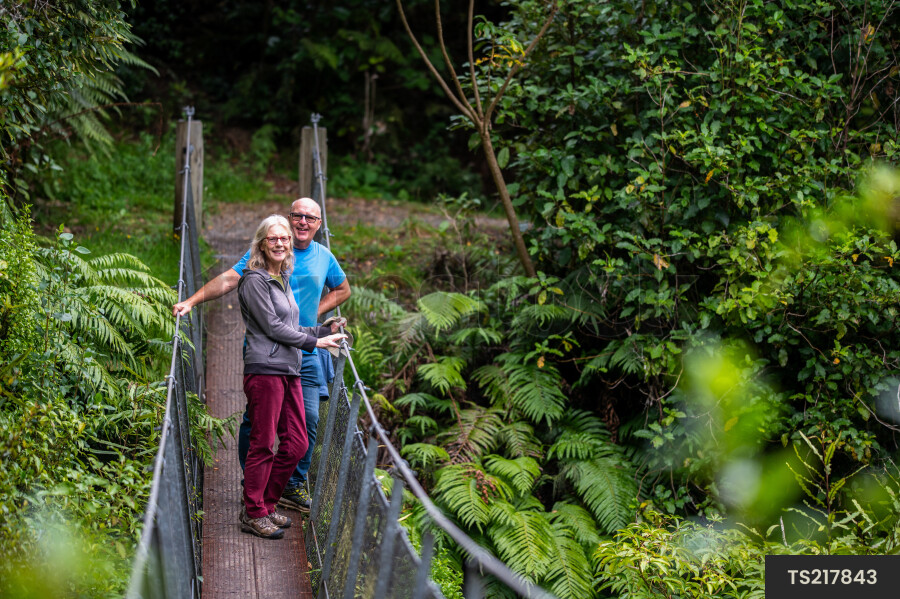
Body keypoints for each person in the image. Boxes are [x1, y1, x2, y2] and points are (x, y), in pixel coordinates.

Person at [173, 197, 351, 511]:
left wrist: (311, 319)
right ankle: (252, 486)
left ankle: (288, 486)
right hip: (268, 353)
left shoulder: (323, 256)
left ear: (320, 224)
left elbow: (343, 289)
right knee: (257, 423)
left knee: (306, 422)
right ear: (287, 219)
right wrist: (192, 300)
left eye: (310, 218)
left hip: (305, 348)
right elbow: (231, 278)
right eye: (297, 216)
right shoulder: (268, 255)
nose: (303, 223)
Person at [236, 215, 346, 538]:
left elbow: (293, 327)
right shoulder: (254, 280)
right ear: (261, 243)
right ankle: (254, 512)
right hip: (266, 370)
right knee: (262, 443)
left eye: (284, 239)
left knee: (297, 443)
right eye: (274, 239)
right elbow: (272, 327)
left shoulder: (282, 279)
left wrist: (323, 329)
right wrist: (316, 342)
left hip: (289, 369)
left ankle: (266, 504)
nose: (281, 244)